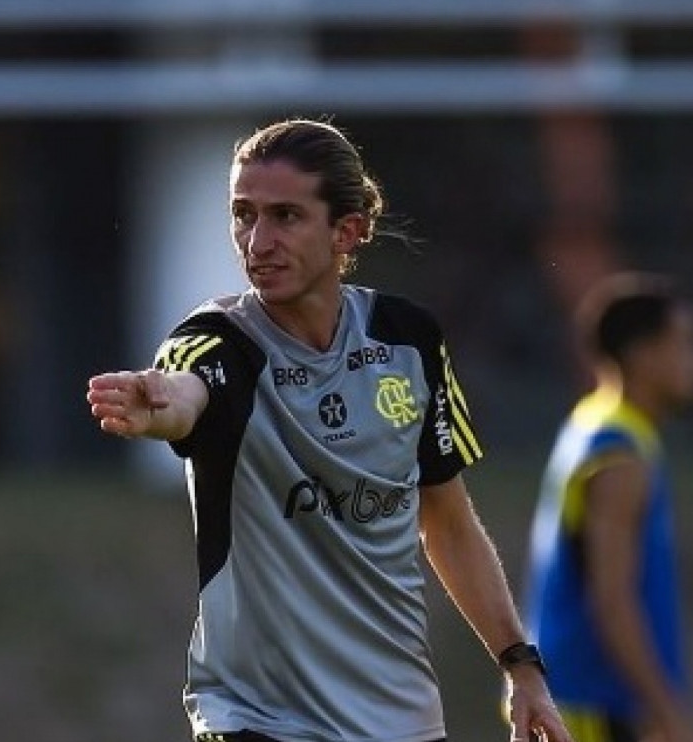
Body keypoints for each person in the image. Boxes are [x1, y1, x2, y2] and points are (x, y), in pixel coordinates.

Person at [86, 118, 571, 742]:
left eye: (285, 216)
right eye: (243, 214)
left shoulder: (408, 340)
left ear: (348, 230)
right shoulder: (216, 341)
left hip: (399, 720)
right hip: (257, 721)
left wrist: (520, 668)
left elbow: (447, 519)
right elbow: (188, 390)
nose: (256, 241)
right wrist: (161, 406)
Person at [525, 273, 693, 742]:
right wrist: (667, 709)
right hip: (595, 707)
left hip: (579, 700)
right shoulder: (619, 453)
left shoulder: (595, 421)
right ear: (643, 353)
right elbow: (612, 600)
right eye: (683, 343)